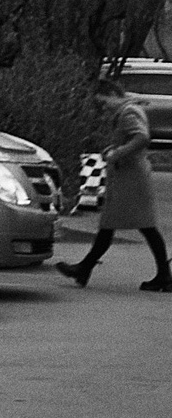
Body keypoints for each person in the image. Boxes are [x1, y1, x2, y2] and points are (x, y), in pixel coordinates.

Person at [57, 77, 167, 290]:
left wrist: (116, 153)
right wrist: (113, 148)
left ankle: (163, 275)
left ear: (113, 95)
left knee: (139, 226)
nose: (104, 108)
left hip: (130, 178)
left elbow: (142, 138)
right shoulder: (128, 111)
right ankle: (85, 268)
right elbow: (133, 139)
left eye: (104, 102)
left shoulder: (129, 112)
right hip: (129, 177)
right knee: (116, 225)